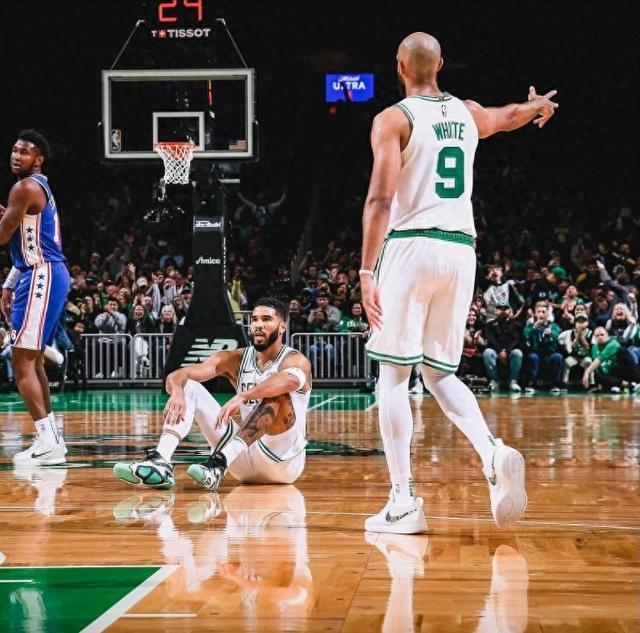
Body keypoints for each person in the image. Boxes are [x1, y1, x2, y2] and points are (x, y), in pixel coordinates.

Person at [360, 32, 557, 533]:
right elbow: (505, 116)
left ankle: (403, 501)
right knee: (440, 373)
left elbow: (380, 202)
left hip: (411, 246)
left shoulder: (393, 119)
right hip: (460, 250)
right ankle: (492, 454)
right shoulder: (466, 113)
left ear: (399, 66)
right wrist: (534, 108)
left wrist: (365, 271)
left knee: (394, 378)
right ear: (441, 64)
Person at [113, 297, 312, 490]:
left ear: (282, 327)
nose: (258, 325)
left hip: (282, 463)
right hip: (240, 459)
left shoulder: (295, 359)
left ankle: (217, 464)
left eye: (267, 319)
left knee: (277, 396)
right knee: (188, 386)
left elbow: (290, 380)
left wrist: (244, 395)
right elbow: (179, 374)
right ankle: (161, 460)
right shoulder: (236, 358)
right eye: (254, 320)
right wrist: (177, 392)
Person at [0, 130, 71, 466]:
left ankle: (47, 442)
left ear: (38, 159)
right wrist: (10, 282)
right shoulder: (36, 187)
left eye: (25, 152)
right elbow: (25, 238)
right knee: (35, 360)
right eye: (14, 150)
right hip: (45, 272)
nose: (17, 156)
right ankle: (52, 439)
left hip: (41, 274)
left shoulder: (24, 187)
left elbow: (3, 235)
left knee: (22, 362)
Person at [522, 301, 563, 394]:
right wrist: (533, 330)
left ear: (548, 314)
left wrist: (550, 335)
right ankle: (531, 384)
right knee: (533, 357)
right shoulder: (529, 326)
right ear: (535, 313)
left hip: (549, 353)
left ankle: (554, 384)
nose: (541, 314)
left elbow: (556, 342)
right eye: (539, 311)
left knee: (558, 356)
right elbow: (526, 340)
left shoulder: (554, 326)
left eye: (543, 312)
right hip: (535, 353)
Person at [483, 303, 523, 392]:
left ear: (510, 310)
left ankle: (513, 381)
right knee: (487, 352)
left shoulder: (516, 324)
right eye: (500, 309)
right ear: (496, 311)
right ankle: (494, 381)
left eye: (505, 309)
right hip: (495, 351)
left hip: (510, 351)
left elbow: (517, 340)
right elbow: (491, 340)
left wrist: (506, 352)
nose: (503, 311)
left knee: (518, 353)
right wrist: (500, 351)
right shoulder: (490, 324)